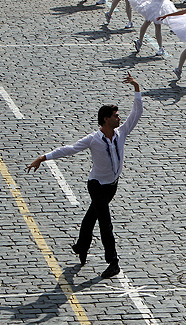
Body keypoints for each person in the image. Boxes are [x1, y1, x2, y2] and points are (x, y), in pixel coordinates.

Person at [26, 74, 142, 279]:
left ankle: (81, 246)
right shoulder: (93, 140)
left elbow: (136, 113)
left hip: (112, 186)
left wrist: (137, 89)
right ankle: (113, 262)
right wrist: (43, 158)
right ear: (106, 119)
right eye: (115, 115)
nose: (119, 118)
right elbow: (69, 149)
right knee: (105, 223)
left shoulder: (121, 133)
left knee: (91, 217)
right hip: (97, 185)